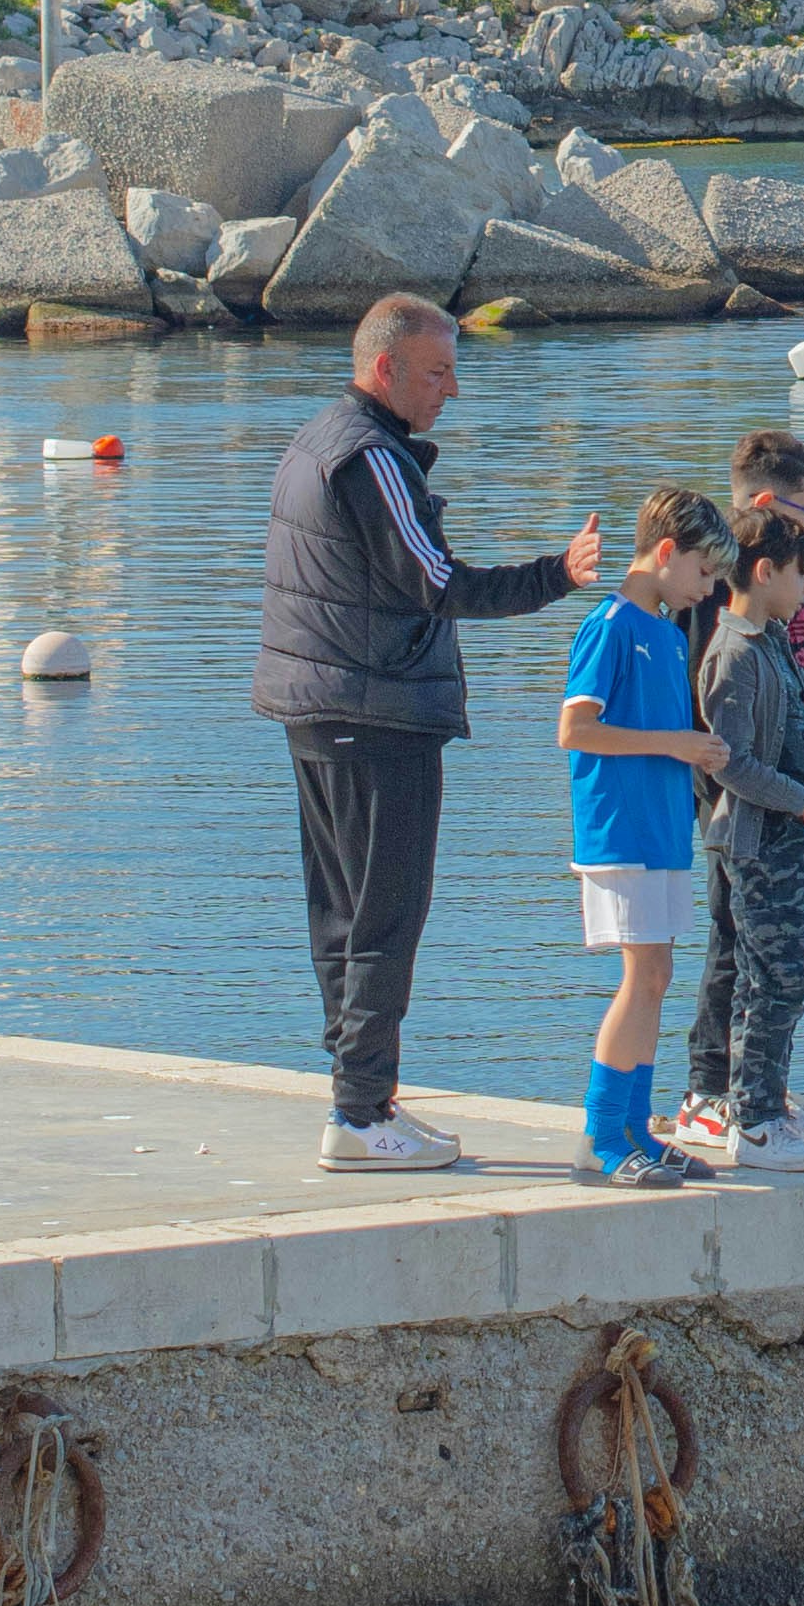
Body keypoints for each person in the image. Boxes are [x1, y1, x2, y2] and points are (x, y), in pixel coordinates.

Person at [252, 293, 579, 1173]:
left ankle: (364, 1099)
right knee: (385, 915)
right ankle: (360, 1114)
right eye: (438, 372)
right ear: (384, 368)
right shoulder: (373, 457)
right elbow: (437, 581)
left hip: (317, 707)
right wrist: (559, 574)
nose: (453, 390)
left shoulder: (313, 440)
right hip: (377, 712)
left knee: (341, 909)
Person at [555, 489, 743, 1180]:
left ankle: (637, 1125)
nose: (706, 590)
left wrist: (695, 749)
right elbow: (575, 729)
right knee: (640, 980)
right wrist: (676, 742)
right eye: (700, 573)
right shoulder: (609, 626)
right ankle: (603, 1138)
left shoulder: (666, 634)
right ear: (666, 554)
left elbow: (670, 740)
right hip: (619, 831)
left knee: (658, 976)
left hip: (663, 832)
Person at [672, 429, 804, 1157]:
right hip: (744, 812)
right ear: (771, 510)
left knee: (781, 957)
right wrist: (786, 804)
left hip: (798, 808)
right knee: (739, 953)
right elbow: (712, 728)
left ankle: (759, 1088)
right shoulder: (717, 594)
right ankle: (715, 1092)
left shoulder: (780, 604)